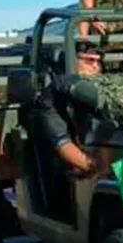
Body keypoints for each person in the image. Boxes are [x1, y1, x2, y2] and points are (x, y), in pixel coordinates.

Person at [28, 41, 105, 177]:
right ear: (73, 60)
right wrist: (99, 168)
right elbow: (62, 143)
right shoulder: (51, 96)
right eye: (89, 60)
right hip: (62, 172)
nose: (95, 66)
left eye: (98, 62)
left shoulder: (103, 89)